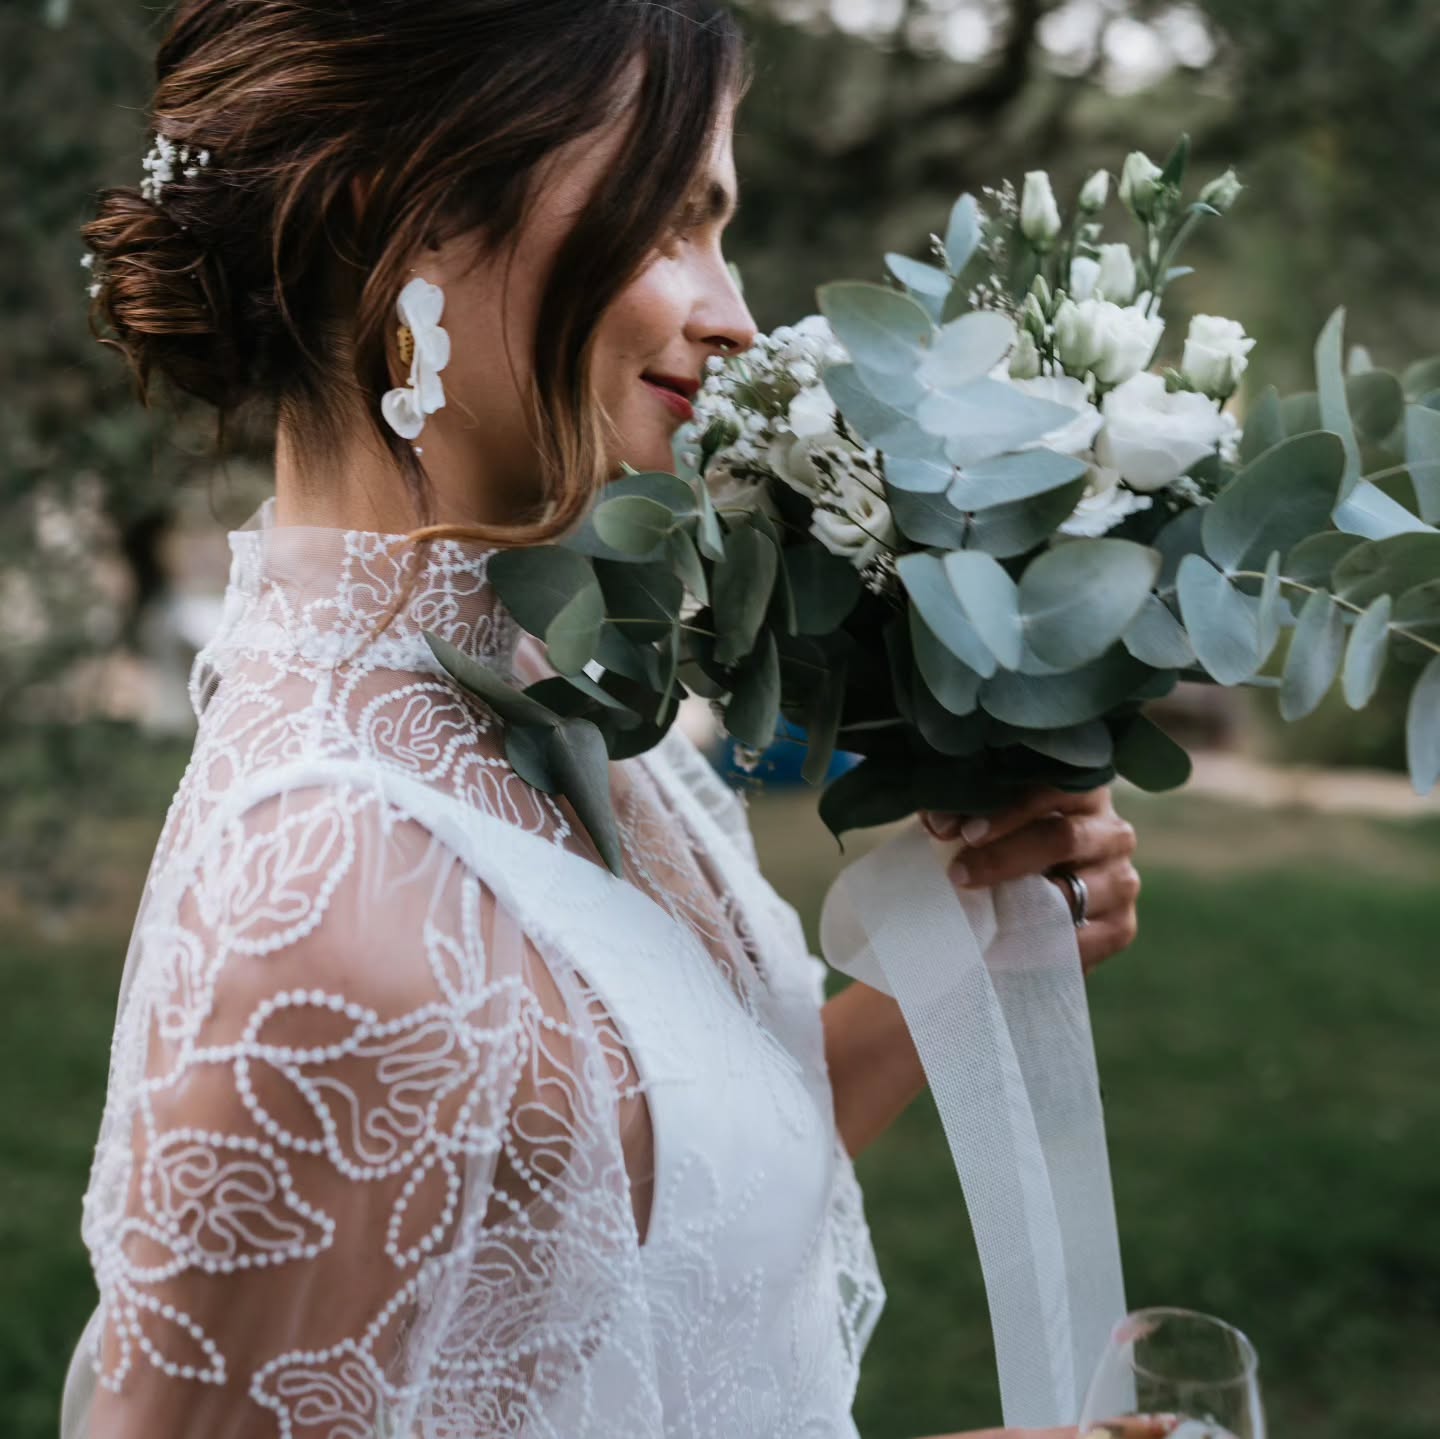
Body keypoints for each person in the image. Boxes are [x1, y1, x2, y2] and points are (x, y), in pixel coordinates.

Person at [67, 2, 1142, 1435]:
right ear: (416, 228)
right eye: (671, 224)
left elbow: (648, 1200)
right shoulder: (325, 908)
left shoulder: (514, 685)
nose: (737, 314)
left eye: (721, 226)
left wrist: (986, 936)